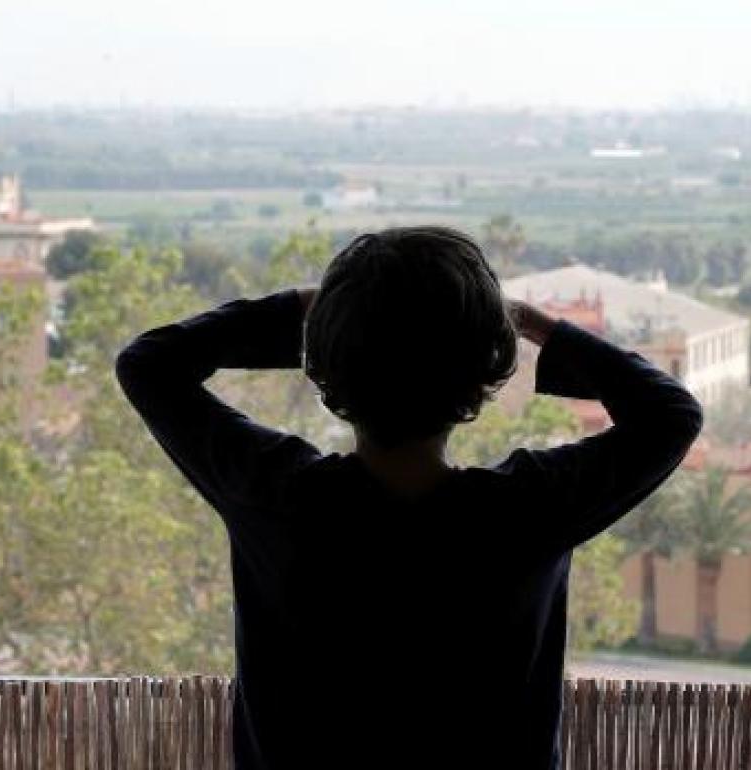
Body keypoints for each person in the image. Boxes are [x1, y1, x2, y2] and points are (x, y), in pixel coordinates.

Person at [116, 226, 703, 769]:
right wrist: (535, 327)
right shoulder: (525, 514)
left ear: (324, 366)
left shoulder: (277, 499)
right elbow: (670, 416)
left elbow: (150, 365)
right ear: (485, 373)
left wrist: (309, 305)